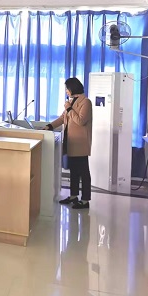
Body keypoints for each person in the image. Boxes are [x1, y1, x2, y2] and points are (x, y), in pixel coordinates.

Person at [46, 77, 93, 210]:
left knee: (83, 172)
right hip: (70, 142)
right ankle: (73, 196)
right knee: (73, 171)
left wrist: (69, 108)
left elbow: (81, 121)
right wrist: (50, 126)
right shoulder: (71, 101)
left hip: (80, 144)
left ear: (73, 88)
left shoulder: (86, 102)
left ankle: (85, 200)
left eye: (67, 88)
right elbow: (63, 118)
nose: (66, 91)